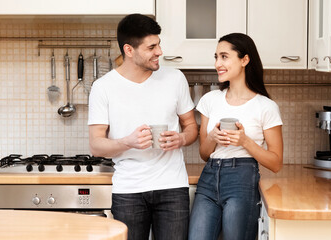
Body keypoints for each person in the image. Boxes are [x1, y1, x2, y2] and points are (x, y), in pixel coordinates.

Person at [88, 14, 199, 240]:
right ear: (129, 50)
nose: (159, 52)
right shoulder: (103, 87)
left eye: (159, 44)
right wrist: (127, 142)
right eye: (151, 47)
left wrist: (181, 139)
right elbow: (96, 145)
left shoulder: (175, 79)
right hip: (129, 190)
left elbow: (191, 127)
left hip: (172, 187)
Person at [188, 33, 283, 240]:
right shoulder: (210, 100)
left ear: (244, 60)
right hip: (209, 178)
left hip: (242, 180)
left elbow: (275, 162)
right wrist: (212, 137)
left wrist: (245, 141)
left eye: (224, 57)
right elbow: (204, 154)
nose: (217, 64)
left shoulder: (266, 106)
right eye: (216, 57)